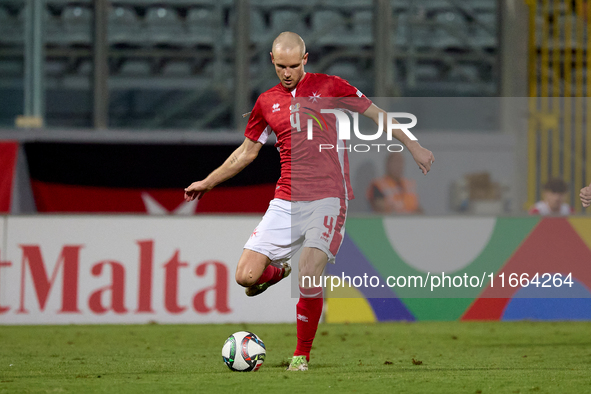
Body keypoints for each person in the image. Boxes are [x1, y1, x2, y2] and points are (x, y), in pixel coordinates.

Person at [184, 32, 435, 371]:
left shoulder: (330, 86)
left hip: (329, 198)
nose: (287, 73)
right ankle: (275, 273)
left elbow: (377, 114)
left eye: (293, 65)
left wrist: (414, 145)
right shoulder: (265, 102)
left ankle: (301, 355)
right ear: (272, 60)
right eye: (281, 66)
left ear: (305, 59)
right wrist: (208, 182)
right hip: (287, 200)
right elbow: (246, 153)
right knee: (245, 276)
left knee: (309, 271)